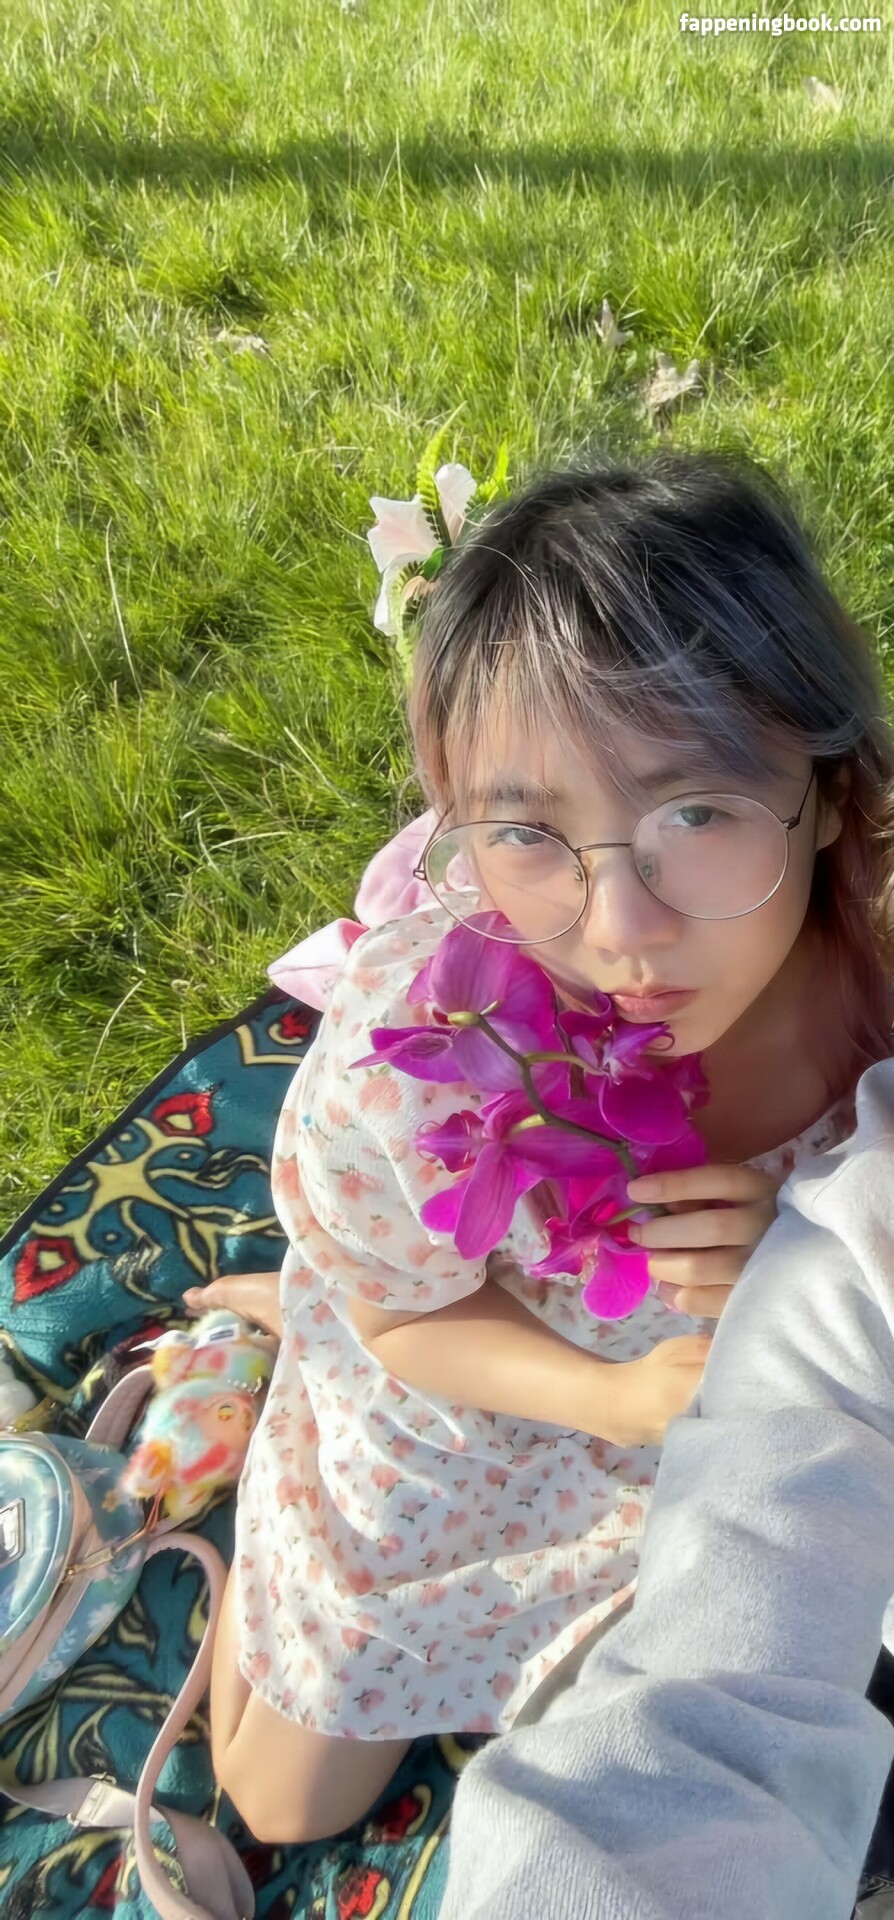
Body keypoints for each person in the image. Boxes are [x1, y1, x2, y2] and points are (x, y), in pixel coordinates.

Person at [189, 451, 894, 1848]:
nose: (621, 931)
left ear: (822, 791)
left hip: (696, 1439)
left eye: (695, 813)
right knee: (276, 1811)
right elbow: (403, 1314)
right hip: (465, 1403)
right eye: (527, 832)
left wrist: (814, 1270)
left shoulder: (877, 1002)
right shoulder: (414, 1063)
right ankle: (288, 1410)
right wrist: (614, 1400)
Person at [437, 1052, 894, 1920]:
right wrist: (607, 1396)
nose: (634, 974)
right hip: (442, 1459)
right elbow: (754, 1566)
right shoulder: (856, 1245)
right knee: (286, 1802)